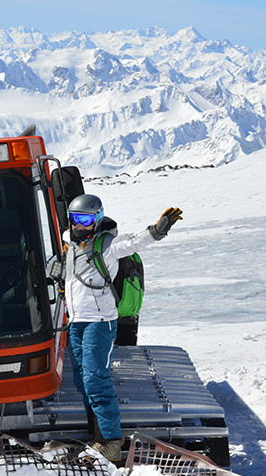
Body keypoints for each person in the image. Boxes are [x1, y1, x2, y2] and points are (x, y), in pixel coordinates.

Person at [57, 194, 182, 462]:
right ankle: (97, 438)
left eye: (86, 219)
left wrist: (157, 231)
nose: (80, 225)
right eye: (76, 219)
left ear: (97, 219)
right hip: (76, 322)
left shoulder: (107, 245)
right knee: (83, 382)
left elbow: (134, 242)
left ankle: (111, 441)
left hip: (100, 322)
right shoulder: (69, 243)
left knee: (96, 381)